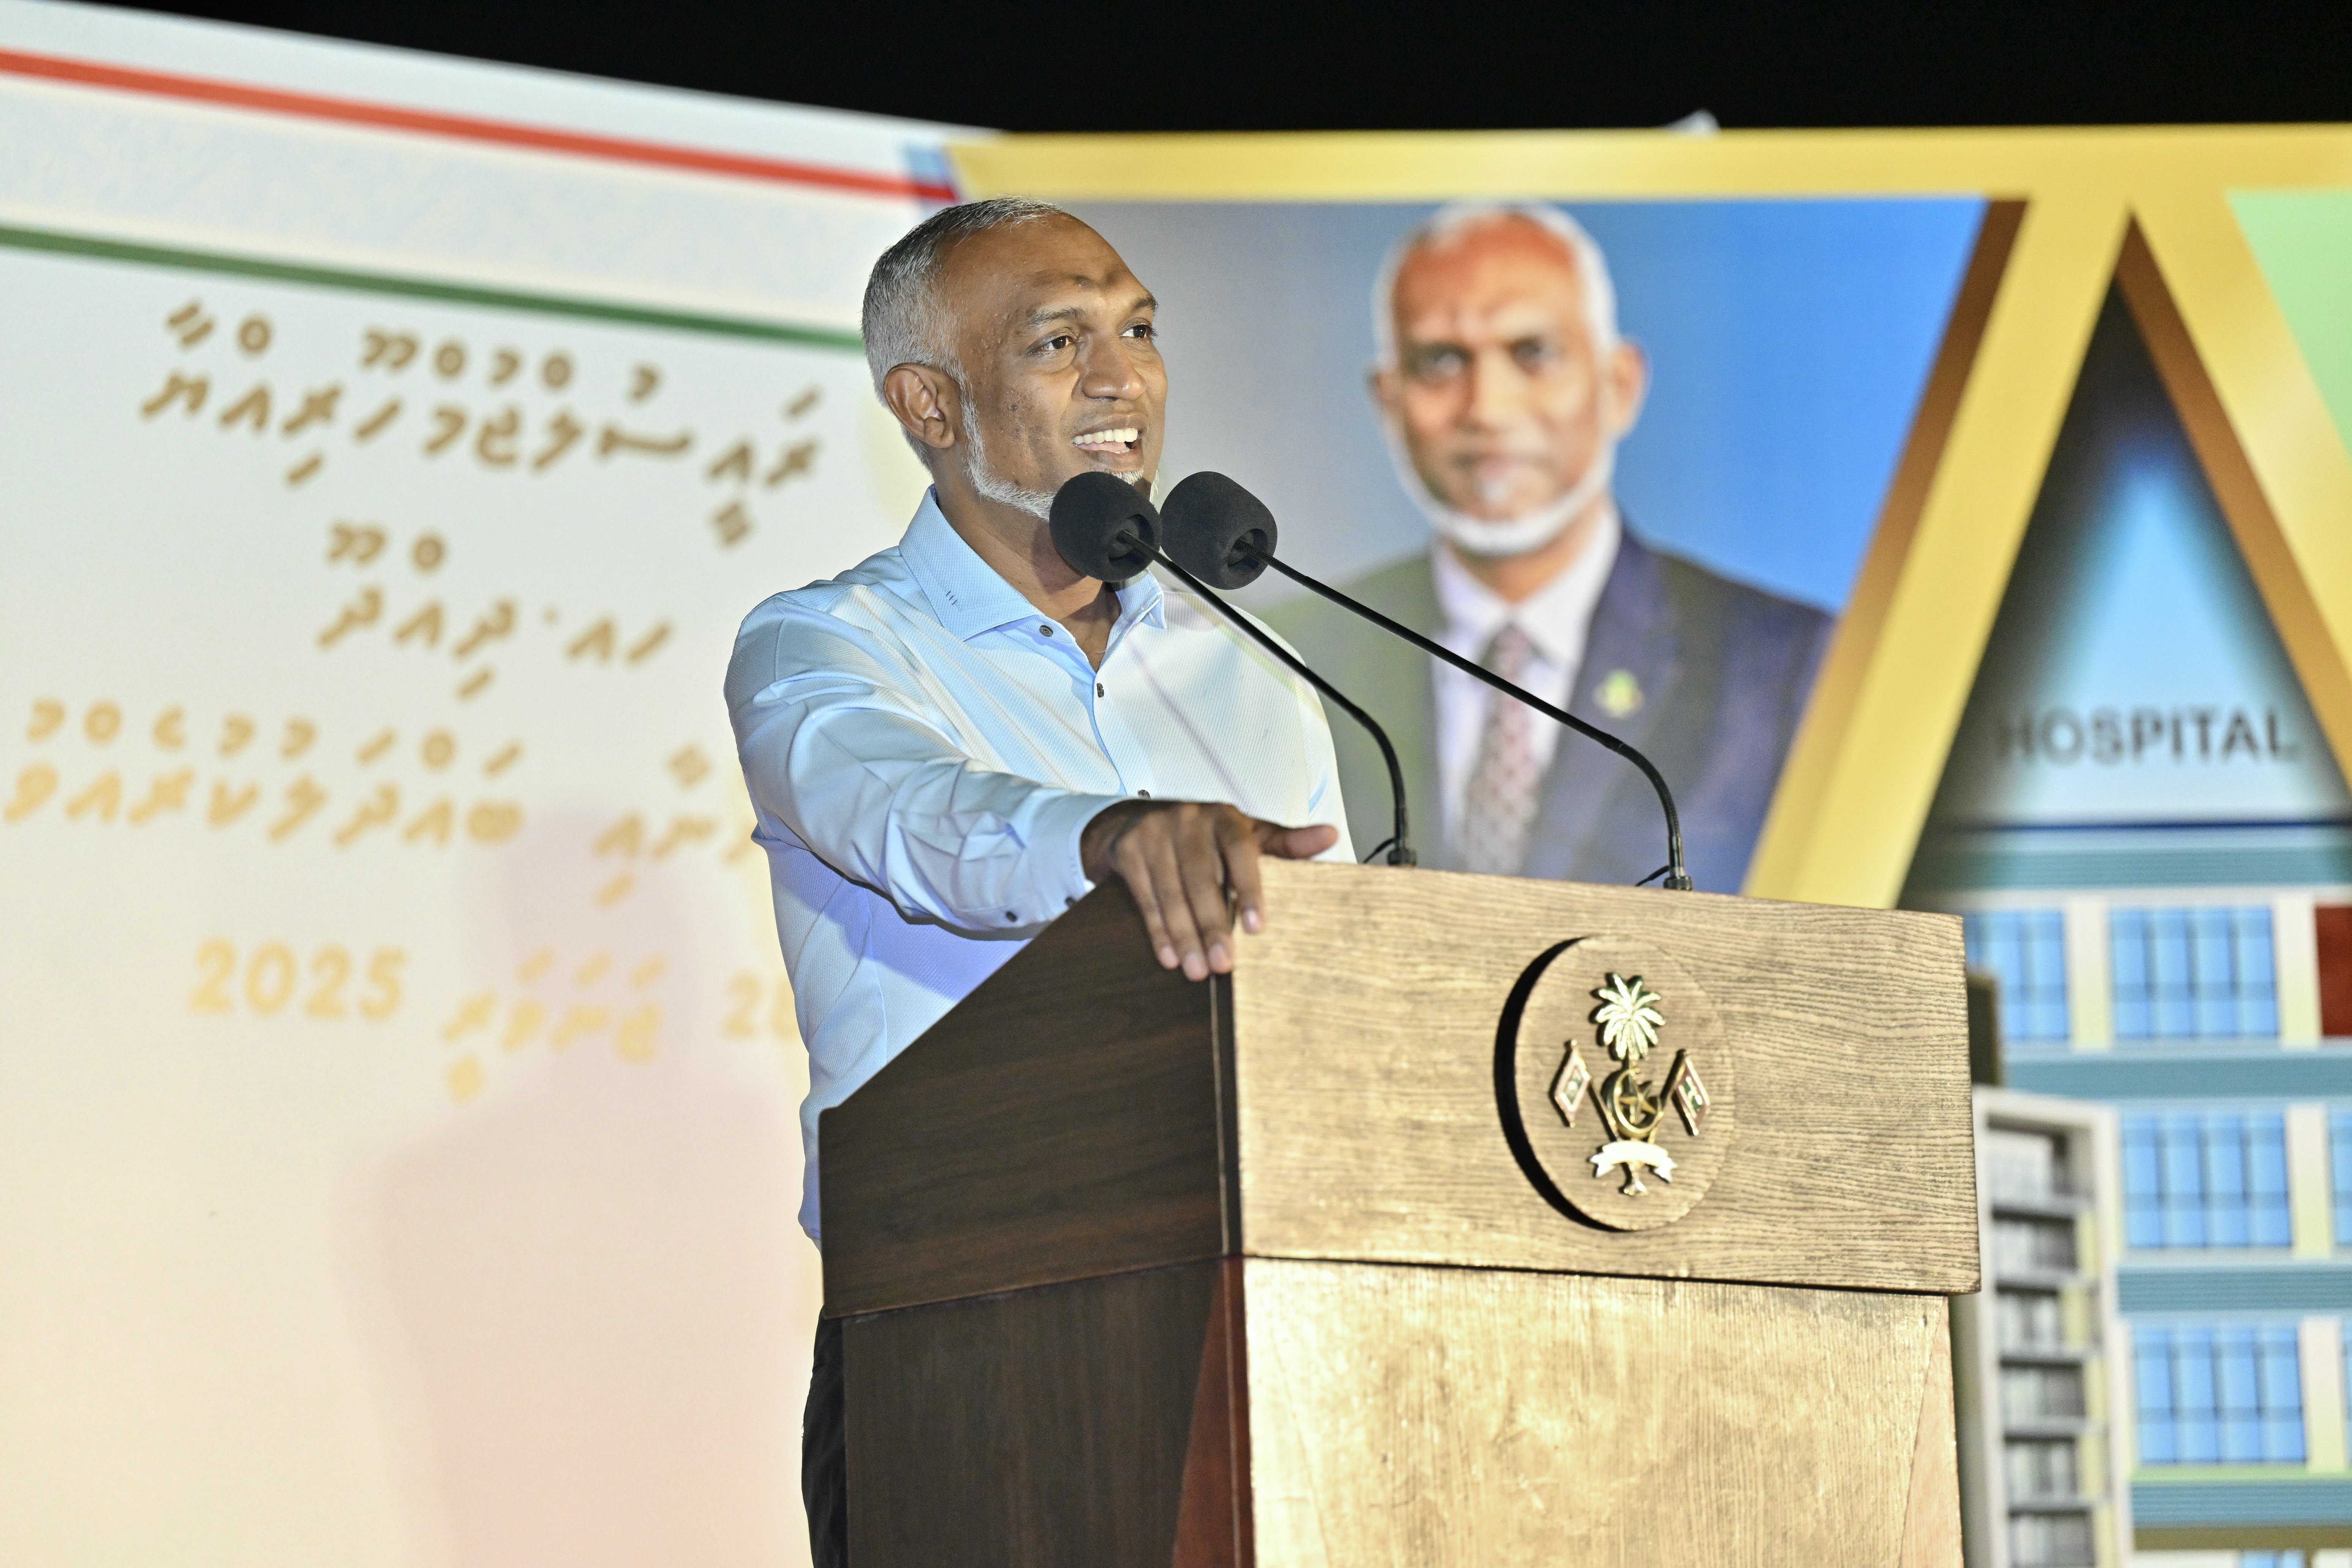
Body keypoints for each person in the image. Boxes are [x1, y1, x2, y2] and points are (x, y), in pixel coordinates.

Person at [725, 198, 1351, 1567]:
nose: (1123, 378)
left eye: (1139, 330)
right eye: (1061, 342)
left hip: (1272, 1332)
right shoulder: (823, 649)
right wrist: (1108, 836)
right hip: (960, 1338)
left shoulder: (1253, 680)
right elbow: (912, 815)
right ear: (929, 404)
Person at [1267, 202, 1832, 893]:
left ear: (1619, 386)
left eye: (1533, 353)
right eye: (1441, 361)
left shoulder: (1784, 666)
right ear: (1388, 402)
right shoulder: (1283, 658)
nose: (1488, 408)